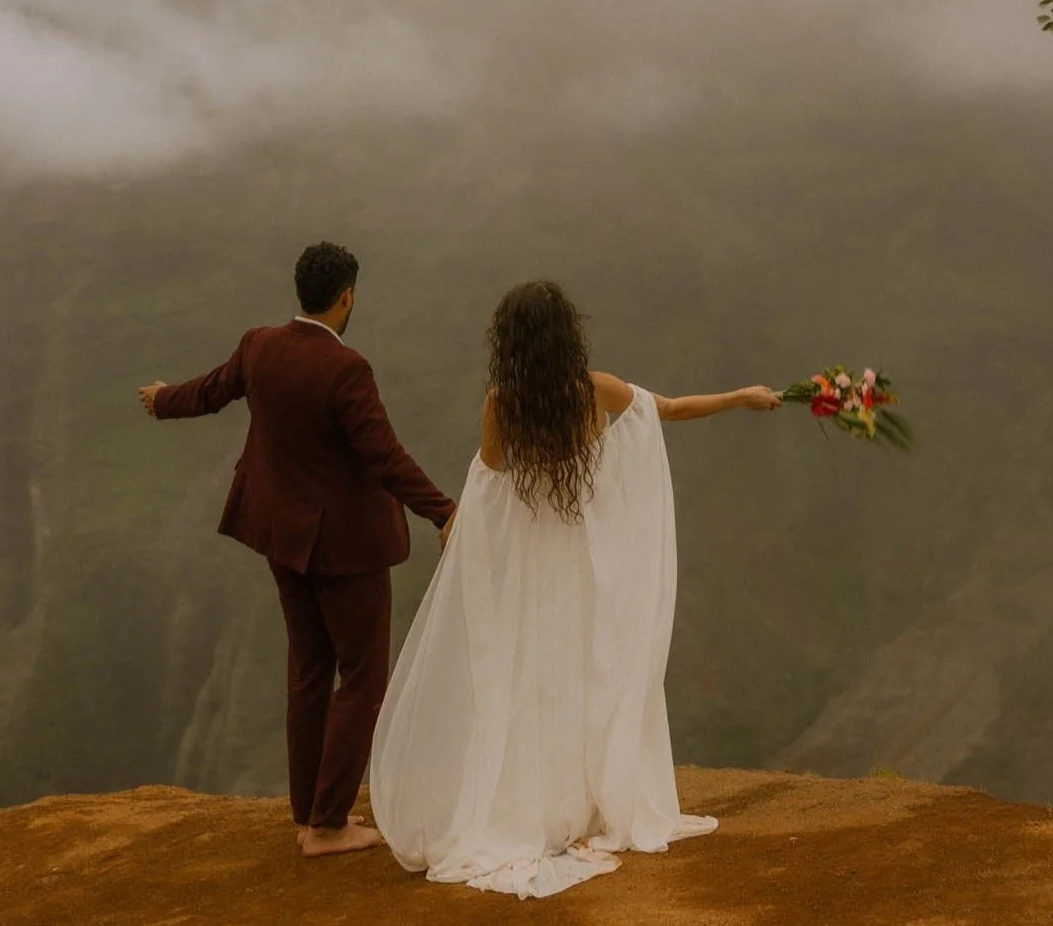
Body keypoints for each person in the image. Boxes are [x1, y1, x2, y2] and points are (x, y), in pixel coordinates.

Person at [370, 280, 780, 897]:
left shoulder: (501, 405)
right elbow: (667, 409)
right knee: (589, 671)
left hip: (534, 567)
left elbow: (487, 486)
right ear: (567, 335)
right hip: (586, 562)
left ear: (508, 343)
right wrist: (741, 397)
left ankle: (539, 803)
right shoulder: (592, 390)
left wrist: (459, 539)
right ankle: (588, 799)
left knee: (532, 678)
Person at [138, 242, 456, 857]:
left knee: (309, 672)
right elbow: (383, 456)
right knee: (361, 675)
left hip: (282, 540)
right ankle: (330, 823)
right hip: (346, 552)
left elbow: (210, 390)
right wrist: (444, 511)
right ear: (347, 297)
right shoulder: (347, 370)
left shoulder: (260, 344)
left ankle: (307, 815)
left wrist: (161, 399)